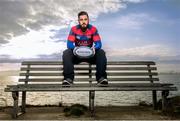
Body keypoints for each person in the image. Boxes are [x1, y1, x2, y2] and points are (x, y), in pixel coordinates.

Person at [62, 11, 108, 86]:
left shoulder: (93, 29)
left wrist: (94, 48)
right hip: (77, 55)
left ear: (88, 20)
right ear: (78, 21)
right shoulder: (74, 29)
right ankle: (68, 79)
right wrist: (75, 49)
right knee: (66, 52)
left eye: (85, 19)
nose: (84, 21)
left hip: (90, 54)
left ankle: (101, 78)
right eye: (81, 20)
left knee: (101, 52)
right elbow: (69, 44)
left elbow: (99, 43)